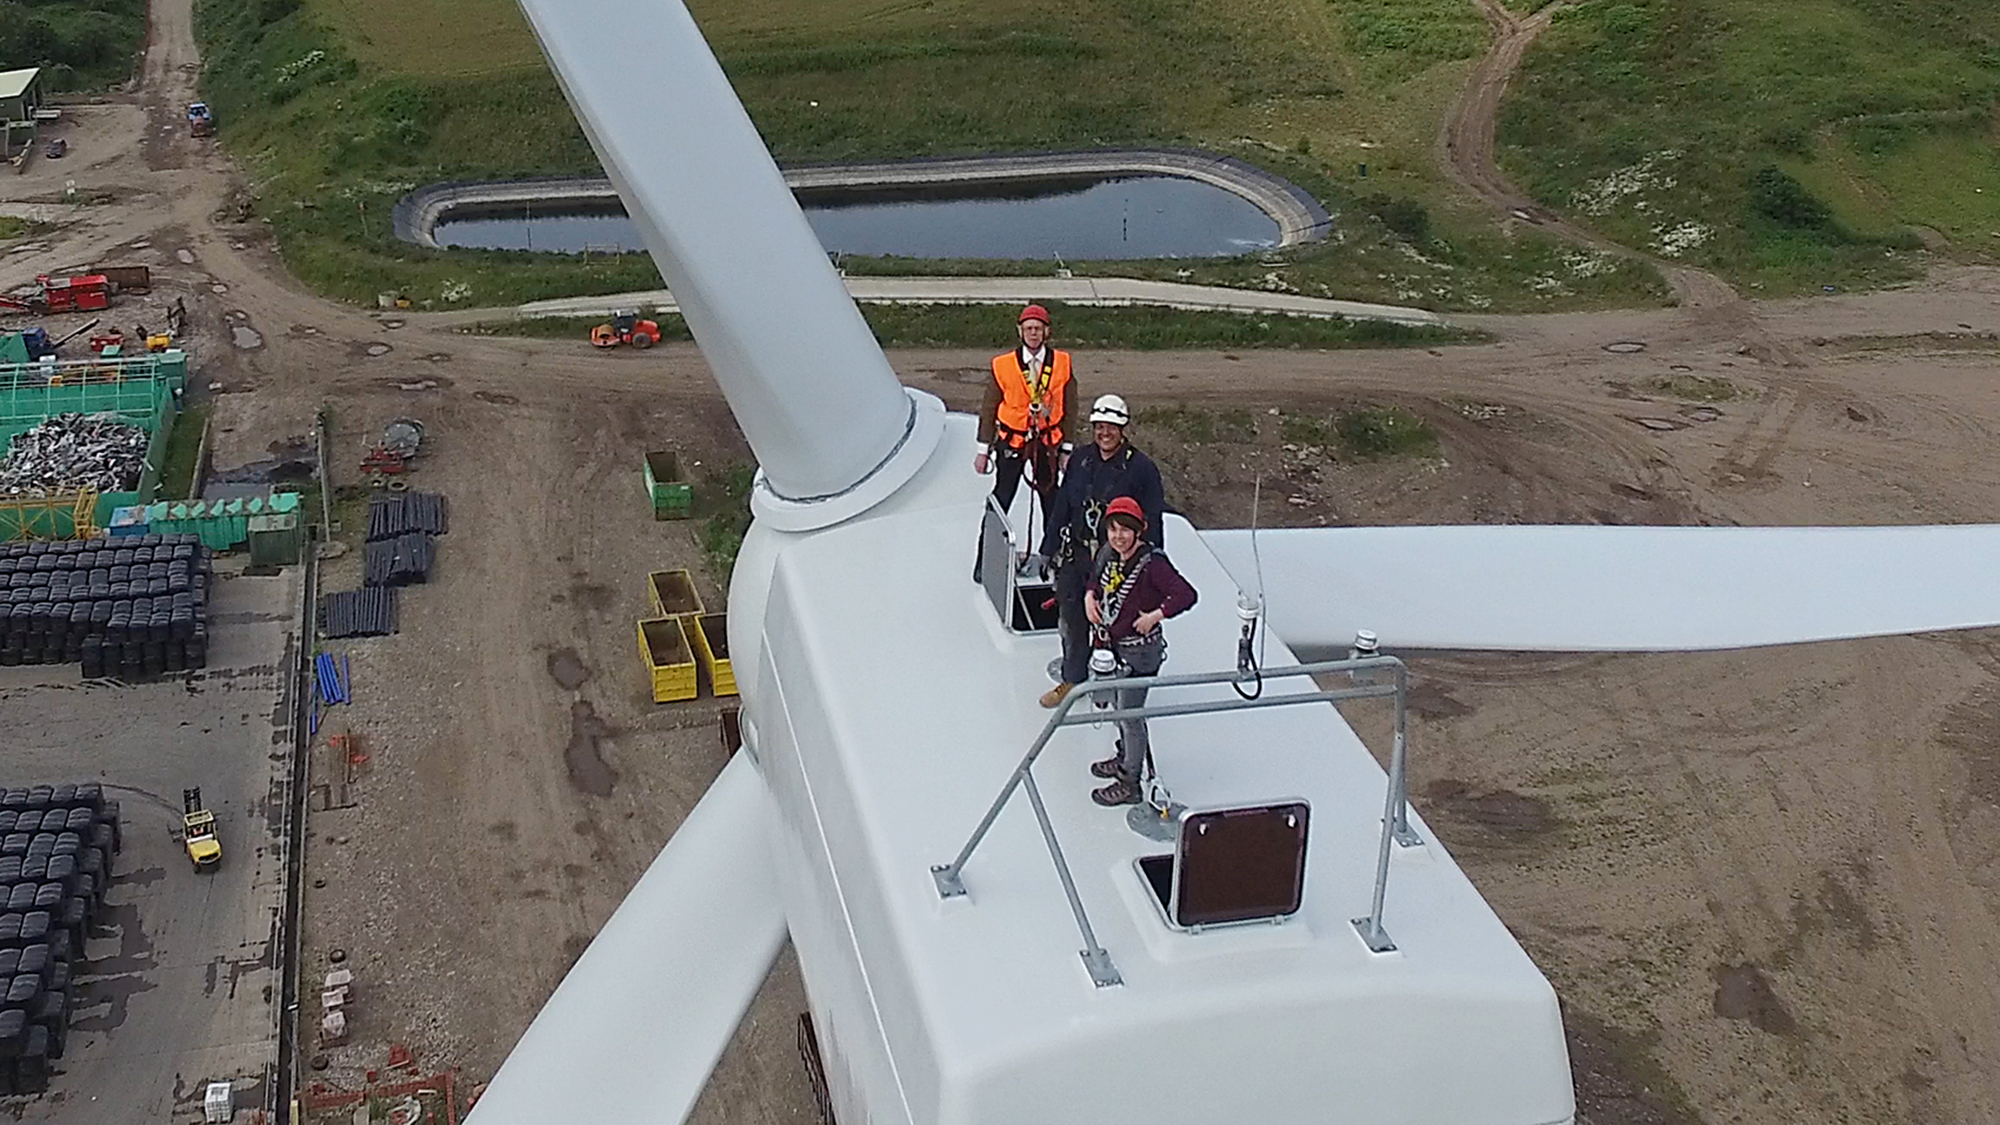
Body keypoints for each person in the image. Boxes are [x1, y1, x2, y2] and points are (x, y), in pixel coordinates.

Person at [1035, 393, 1165, 709]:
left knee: (1119, 625)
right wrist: (1048, 548)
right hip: (1078, 556)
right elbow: (1063, 505)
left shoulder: (1142, 469)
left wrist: (1153, 568)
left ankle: (1118, 684)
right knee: (1073, 619)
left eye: (1111, 426)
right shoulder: (1080, 460)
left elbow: (1153, 520)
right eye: (1099, 426)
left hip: (1119, 562)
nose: (1104, 433)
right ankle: (1073, 678)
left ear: (1123, 428)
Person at [1085, 496, 1196, 806]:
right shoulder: (1110, 554)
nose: (1119, 536)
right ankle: (1125, 757)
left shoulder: (1153, 564)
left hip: (1140, 652)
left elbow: (1186, 594)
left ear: (1138, 531)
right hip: (1115, 646)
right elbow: (1094, 578)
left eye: (1126, 530)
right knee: (1121, 709)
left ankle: (1130, 780)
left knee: (1131, 715)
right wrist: (1090, 597)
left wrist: (1155, 616)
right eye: (1113, 529)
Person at [975, 304, 1076, 542]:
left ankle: (1054, 552)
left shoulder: (1062, 363)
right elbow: (989, 407)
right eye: (1029, 328)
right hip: (1012, 440)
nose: (1033, 333)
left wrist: (1067, 448)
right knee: (1002, 496)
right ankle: (986, 556)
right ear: (1020, 331)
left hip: (1047, 440)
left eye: (1038, 329)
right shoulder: (1002, 365)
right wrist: (983, 450)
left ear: (1046, 332)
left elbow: (1071, 407)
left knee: (1051, 497)